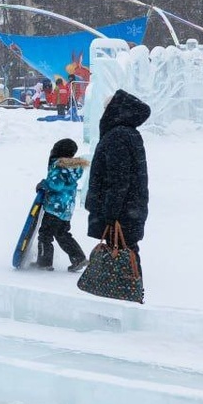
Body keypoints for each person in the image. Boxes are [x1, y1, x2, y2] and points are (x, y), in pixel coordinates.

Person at [85, 89, 150, 270]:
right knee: (126, 253)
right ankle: (130, 291)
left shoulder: (117, 136)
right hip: (130, 209)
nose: (104, 113)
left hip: (121, 213)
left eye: (107, 108)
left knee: (124, 254)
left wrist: (110, 214)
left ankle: (128, 293)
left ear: (115, 110)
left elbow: (118, 180)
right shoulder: (129, 133)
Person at [32, 138, 88, 272]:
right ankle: (78, 258)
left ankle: (44, 262)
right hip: (66, 209)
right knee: (62, 234)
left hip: (54, 208)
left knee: (45, 235)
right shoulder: (73, 168)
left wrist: (43, 184)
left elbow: (56, 184)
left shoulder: (59, 166)